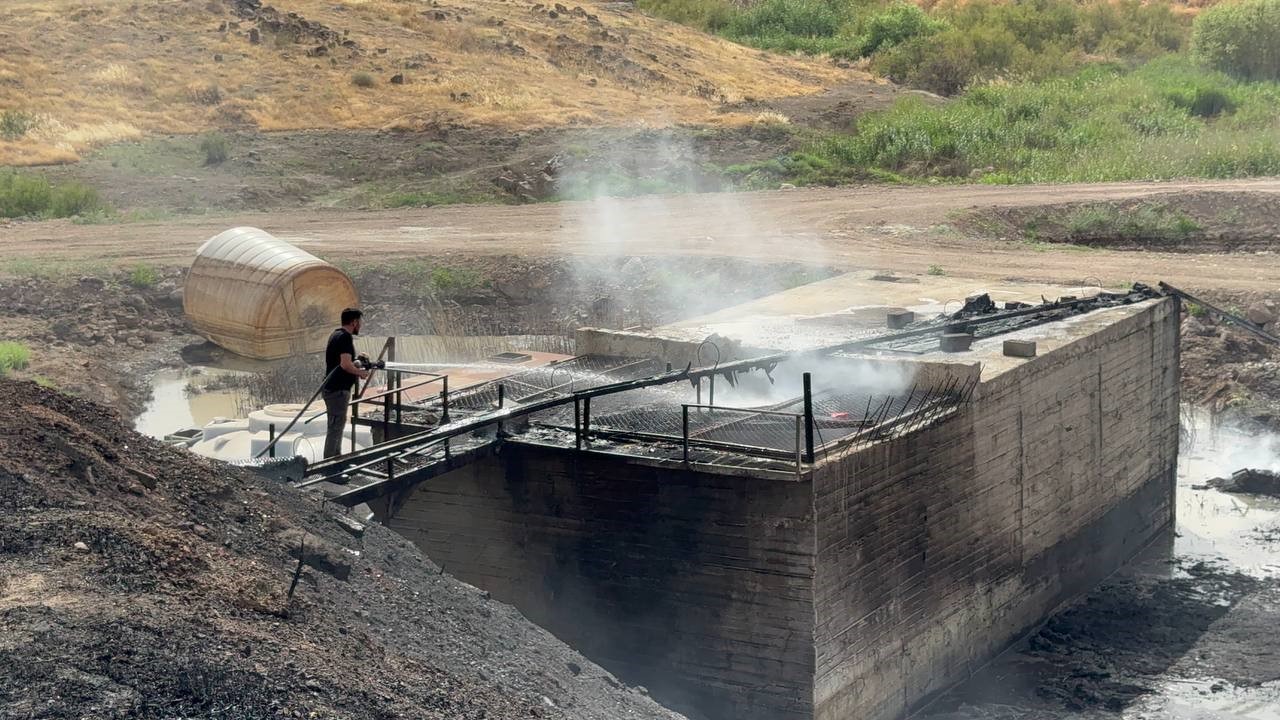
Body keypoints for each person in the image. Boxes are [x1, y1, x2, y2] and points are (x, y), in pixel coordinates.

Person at [322, 308, 370, 459]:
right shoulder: (345, 338)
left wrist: (358, 361)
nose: (360, 326)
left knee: (337, 426)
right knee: (335, 428)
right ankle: (330, 465)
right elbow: (345, 365)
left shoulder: (336, 334)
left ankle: (336, 459)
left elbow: (343, 363)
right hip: (337, 390)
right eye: (360, 322)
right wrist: (361, 372)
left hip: (333, 389)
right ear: (354, 322)